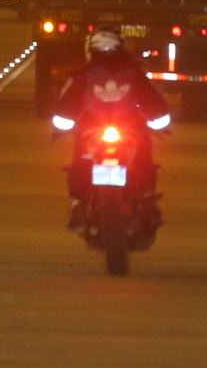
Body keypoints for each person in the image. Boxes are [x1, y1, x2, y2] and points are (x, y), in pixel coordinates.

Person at [50, 25, 171, 231]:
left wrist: (63, 123)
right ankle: (146, 197)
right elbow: (152, 99)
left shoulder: (84, 75)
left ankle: (78, 203)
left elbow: (68, 103)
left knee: (81, 160)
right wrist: (158, 118)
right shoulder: (132, 71)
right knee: (141, 155)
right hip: (113, 128)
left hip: (109, 128)